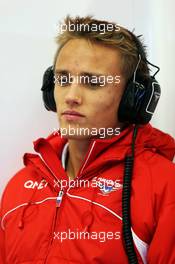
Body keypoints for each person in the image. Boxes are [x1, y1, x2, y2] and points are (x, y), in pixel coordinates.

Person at [0, 16, 175, 264]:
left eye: (92, 82)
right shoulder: (20, 186)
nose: (71, 96)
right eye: (63, 79)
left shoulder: (164, 188)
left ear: (133, 98)